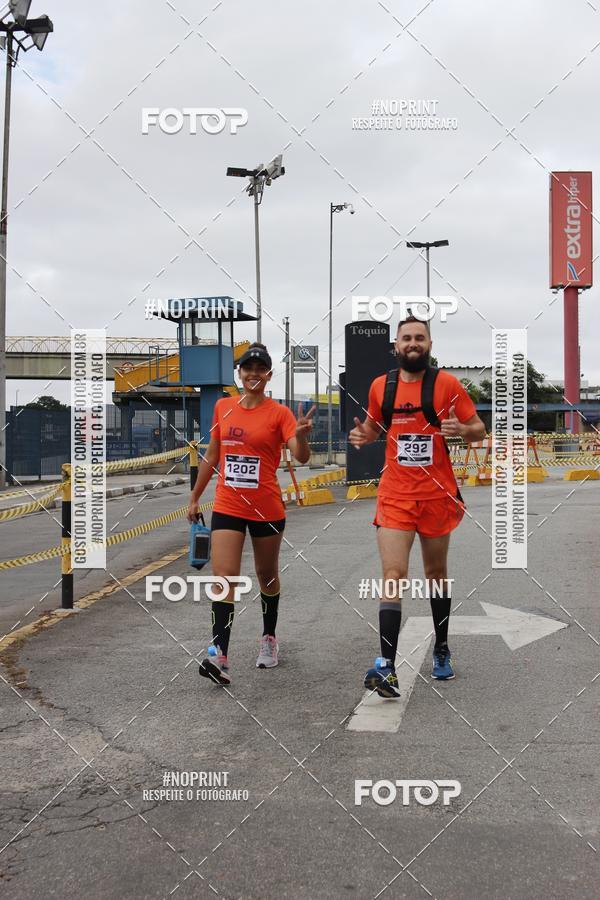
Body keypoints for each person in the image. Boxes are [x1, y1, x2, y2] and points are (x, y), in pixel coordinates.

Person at [349, 316, 486, 697]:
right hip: (395, 494)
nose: (413, 343)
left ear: (429, 344)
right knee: (393, 572)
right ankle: (387, 666)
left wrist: (463, 431)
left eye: (419, 338)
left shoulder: (447, 384)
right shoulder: (382, 387)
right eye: (406, 338)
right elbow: (376, 428)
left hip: (437, 495)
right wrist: (363, 435)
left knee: (436, 572)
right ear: (396, 346)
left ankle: (441, 646)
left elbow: (479, 429)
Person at [187, 342, 315, 685]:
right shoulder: (223, 407)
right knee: (224, 576)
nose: (254, 374)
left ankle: (269, 638)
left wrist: (302, 437)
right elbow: (212, 455)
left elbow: (300, 457)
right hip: (228, 504)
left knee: (267, 575)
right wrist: (195, 496)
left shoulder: (280, 414)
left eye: (260, 369)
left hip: (267, 508)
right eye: (248, 368)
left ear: (269, 375)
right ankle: (220, 655)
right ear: (239, 373)